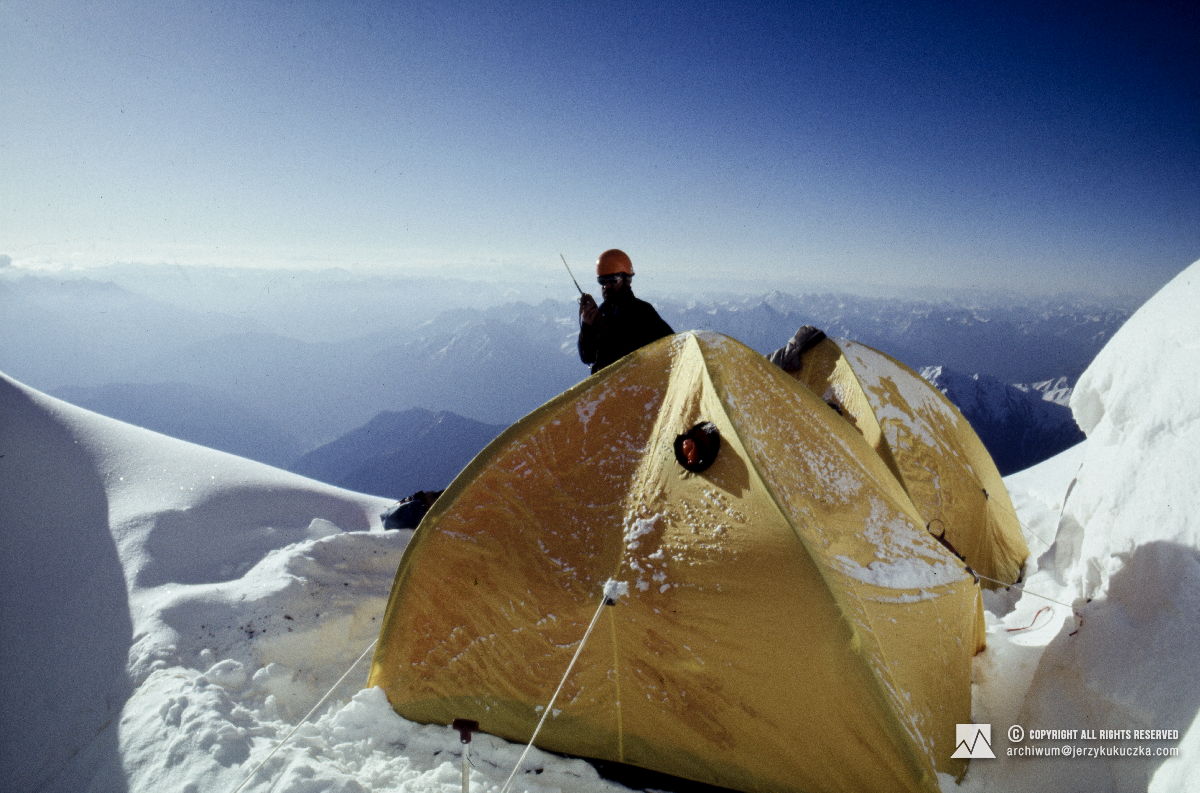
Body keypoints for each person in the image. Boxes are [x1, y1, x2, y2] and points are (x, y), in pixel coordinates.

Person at [577, 249, 674, 374]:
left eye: (612, 280)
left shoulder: (643, 312)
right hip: (612, 384)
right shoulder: (603, 311)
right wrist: (587, 327)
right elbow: (588, 357)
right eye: (602, 281)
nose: (606, 286)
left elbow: (671, 346)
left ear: (626, 279)